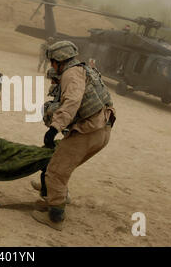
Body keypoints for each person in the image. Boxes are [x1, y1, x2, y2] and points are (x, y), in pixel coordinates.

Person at [31, 41, 116, 231]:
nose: (52, 65)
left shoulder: (71, 74)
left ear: (58, 61)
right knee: (62, 165)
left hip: (88, 131)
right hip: (102, 129)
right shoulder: (84, 69)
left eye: (52, 61)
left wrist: (54, 128)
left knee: (55, 172)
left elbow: (72, 101)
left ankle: (55, 217)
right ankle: (54, 200)